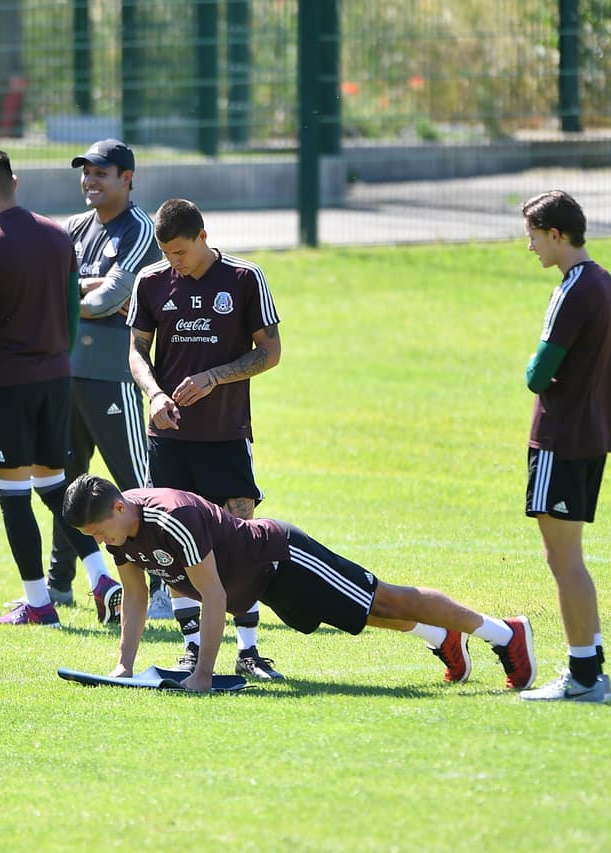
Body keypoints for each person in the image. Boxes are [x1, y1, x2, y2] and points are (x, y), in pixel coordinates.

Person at [62, 475, 538, 694]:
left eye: (101, 531)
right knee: (365, 615)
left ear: (121, 508)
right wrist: (123, 665)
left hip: (281, 558)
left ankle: (505, 633)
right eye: (94, 538)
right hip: (260, 584)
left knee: (384, 599)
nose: (102, 542)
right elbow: (139, 596)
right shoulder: (120, 535)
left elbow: (213, 596)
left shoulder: (173, 517)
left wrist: (203, 674)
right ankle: (442, 637)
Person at [0, 148, 123, 627]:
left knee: (13, 494)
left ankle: (38, 603)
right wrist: (60, 359)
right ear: (16, 182)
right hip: (57, 378)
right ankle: (100, 577)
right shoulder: (57, 235)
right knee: (53, 485)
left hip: (9, 383)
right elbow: (72, 310)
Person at [126, 198, 284, 679]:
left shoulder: (243, 279)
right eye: (167, 253)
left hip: (226, 435)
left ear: (202, 237)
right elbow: (135, 352)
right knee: (175, 543)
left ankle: (250, 649)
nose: (175, 261)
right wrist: (153, 394)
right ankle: (193, 648)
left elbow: (271, 352)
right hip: (169, 436)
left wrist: (215, 377)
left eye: (181, 252)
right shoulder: (151, 282)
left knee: (241, 539)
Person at [39, 139, 168, 618]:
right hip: (63, 373)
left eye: (101, 173)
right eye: (85, 172)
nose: (90, 181)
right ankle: (58, 586)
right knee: (64, 480)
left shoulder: (140, 229)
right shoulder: (73, 227)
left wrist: (71, 292)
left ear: (127, 178)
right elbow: (42, 286)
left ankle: (162, 586)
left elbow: (111, 298)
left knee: (138, 483)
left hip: (112, 375)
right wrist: (80, 288)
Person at [516, 191, 611, 704]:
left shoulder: (574, 290)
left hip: (561, 438)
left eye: (534, 236)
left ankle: (582, 677)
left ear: (556, 234)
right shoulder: (603, 280)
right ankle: (590, 666)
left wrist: (531, 365)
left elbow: (538, 375)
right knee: (567, 557)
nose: (530, 246)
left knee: (563, 559)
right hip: (591, 435)